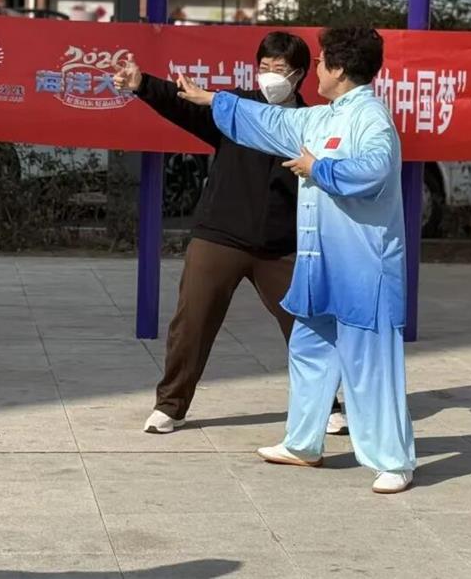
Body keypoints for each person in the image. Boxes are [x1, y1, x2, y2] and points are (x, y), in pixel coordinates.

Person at [176, 26, 416, 494]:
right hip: (320, 262)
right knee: (310, 349)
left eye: (322, 62)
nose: (317, 70)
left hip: (363, 266)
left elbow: (375, 170)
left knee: (370, 364)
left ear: (339, 69)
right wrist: (212, 100)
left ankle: (394, 460)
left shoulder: (371, 118)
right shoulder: (322, 117)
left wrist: (317, 169)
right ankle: (304, 442)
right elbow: (272, 122)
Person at [113, 32, 345, 434]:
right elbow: (185, 105)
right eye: (264, 67)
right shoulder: (235, 108)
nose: (270, 76)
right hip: (220, 235)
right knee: (192, 322)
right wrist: (142, 84)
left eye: (280, 69)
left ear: (299, 75)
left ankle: (327, 405)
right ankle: (170, 405)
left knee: (308, 326)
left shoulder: (311, 123)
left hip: (282, 246)